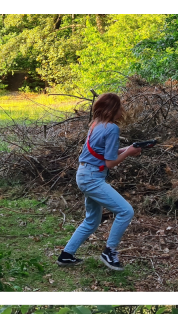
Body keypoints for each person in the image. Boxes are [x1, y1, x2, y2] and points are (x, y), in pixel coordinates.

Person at [57, 92, 141, 272]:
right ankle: (109, 252)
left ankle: (66, 255)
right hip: (92, 178)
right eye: (120, 108)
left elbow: (102, 153)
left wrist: (127, 148)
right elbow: (110, 163)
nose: (122, 111)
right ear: (113, 109)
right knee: (126, 211)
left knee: (92, 221)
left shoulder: (96, 125)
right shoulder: (112, 128)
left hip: (85, 174)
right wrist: (128, 154)